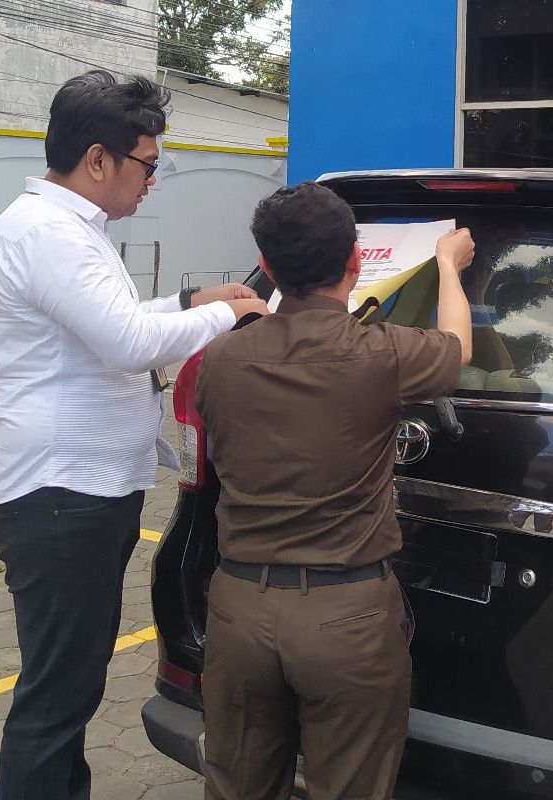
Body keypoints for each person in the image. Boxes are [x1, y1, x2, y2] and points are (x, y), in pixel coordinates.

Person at [0, 70, 268, 800]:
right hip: (59, 496)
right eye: (147, 164)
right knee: (57, 697)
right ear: (98, 158)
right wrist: (229, 315)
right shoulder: (49, 233)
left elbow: (113, 320)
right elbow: (128, 341)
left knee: (68, 687)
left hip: (74, 492)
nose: (152, 181)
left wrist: (192, 299)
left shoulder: (68, 229)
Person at [195, 181, 474, 800]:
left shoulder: (219, 360)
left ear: (266, 266)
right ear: (355, 259)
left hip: (238, 609)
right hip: (346, 618)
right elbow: (456, 352)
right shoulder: (377, 353)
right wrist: (449, 268)